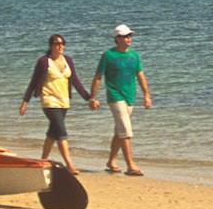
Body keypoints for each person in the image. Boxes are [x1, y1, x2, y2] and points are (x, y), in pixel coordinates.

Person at [18, 34, 93, 174]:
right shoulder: (44, 61)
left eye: (62, 43)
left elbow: (76, 81)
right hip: (49, 101)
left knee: (53, 133)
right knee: (62, 132)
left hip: (64, 101)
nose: (60, 46)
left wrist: (89, 98)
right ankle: (69, 164)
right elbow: (33, 82)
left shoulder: (68, 61)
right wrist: (25, 102)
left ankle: (42, 160)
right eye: (57, 44)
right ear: (51, 46)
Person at [89, 23, 152, 175]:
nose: (128, 39)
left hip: (130, 97)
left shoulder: (134, 56)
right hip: (115, 96)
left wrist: (146, 95)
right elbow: (98, 77)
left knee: (120, 131)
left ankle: (111, 161)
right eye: (125, 36)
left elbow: (140, 75)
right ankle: (131, 165)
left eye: (130, 36)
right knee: (126, 130)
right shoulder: (108, 55)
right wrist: (93, 97)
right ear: (117, 39)